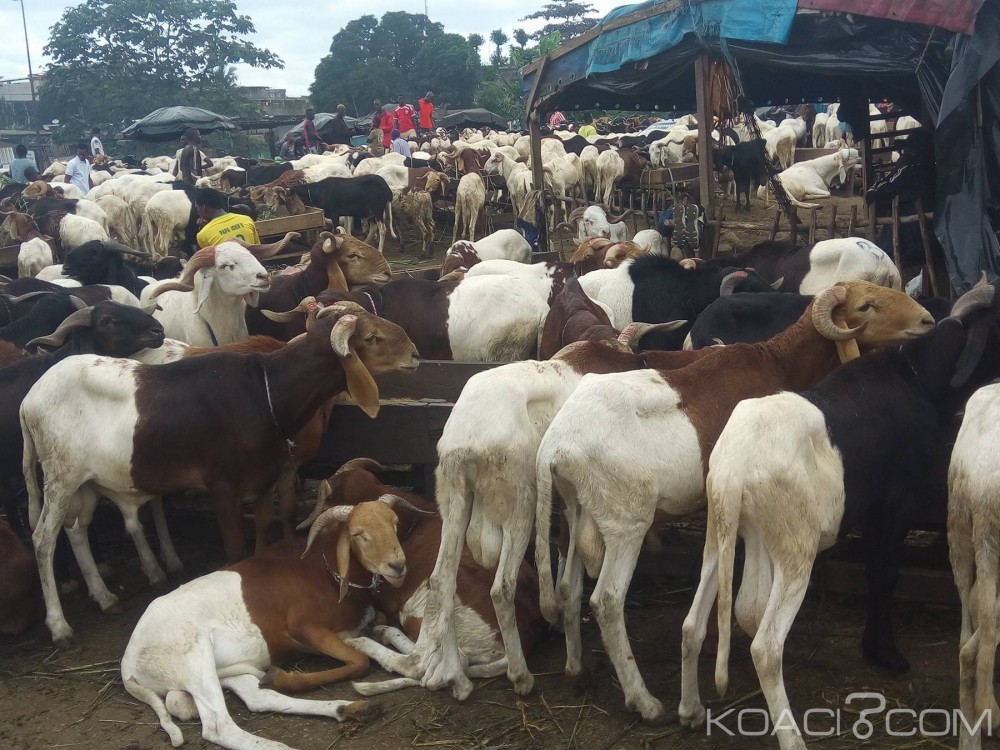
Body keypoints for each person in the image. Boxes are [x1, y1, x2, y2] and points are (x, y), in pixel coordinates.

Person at [194, 188, 260, 248]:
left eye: (197, 208)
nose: (198, 212)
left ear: (204, 207)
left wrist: (203, 228)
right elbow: (258, 249)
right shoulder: (246, 219)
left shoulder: (203, 235)